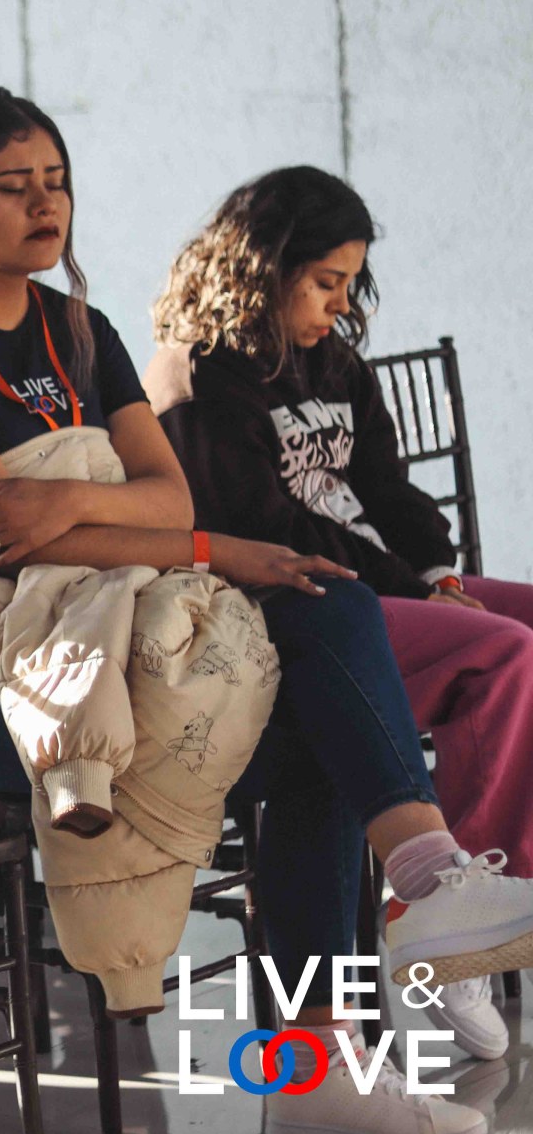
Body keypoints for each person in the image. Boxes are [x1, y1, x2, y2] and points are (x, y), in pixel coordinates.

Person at [0, 85, 533, 1134]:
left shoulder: (80, 329)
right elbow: (6, 538)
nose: (44, 205)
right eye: (13, 187)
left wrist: (72, 502)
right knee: (320, 711)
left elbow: (160, 499)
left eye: (56, 182)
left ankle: (382, 958)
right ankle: (345, 1026)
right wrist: (195, 545)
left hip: (115, 627)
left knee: (329, 624)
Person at [148, 164, 533, 1062]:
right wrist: (409, 584)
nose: (340, 304)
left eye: (350, 284)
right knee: (506, 653)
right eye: (326, 281)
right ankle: (456, 934)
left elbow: (389, 490)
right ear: (264, 267)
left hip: (380, 582)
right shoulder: (199, 375)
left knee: (517, 629)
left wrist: (436, 572)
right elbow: (267, 531)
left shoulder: (331, 363)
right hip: (303, 608)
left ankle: (479, 901)